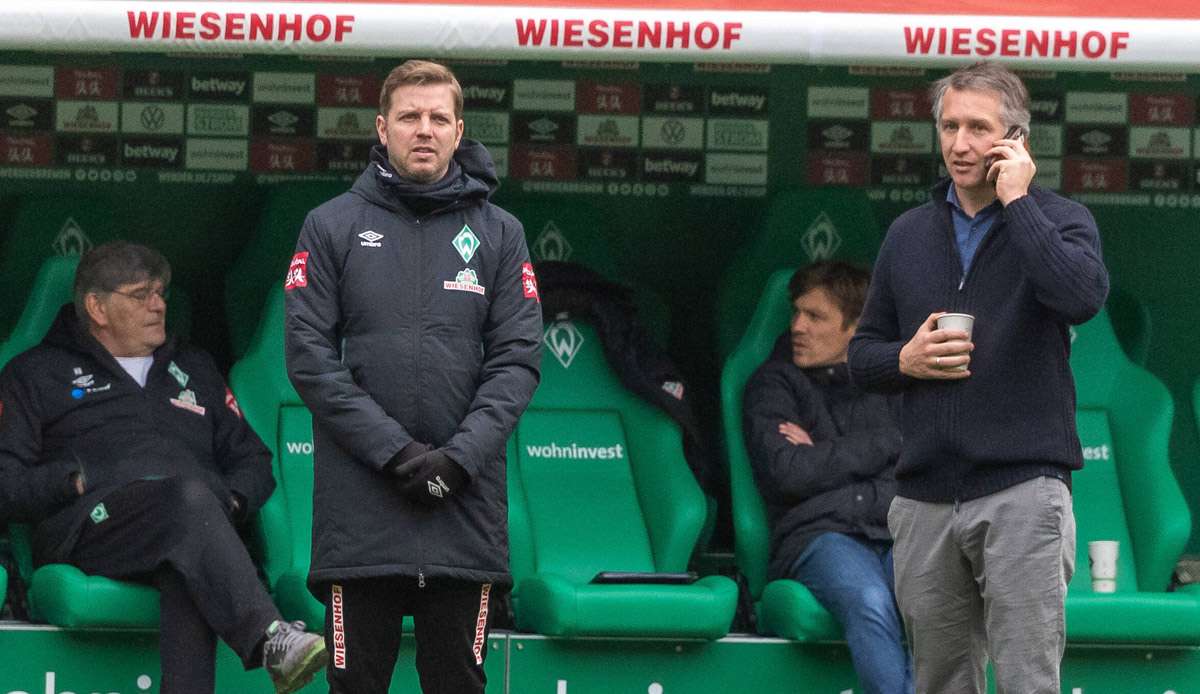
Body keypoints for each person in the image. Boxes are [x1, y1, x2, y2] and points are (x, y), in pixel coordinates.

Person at [848, 61, 1109, 694]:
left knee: (1027, 682)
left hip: (1023, 490)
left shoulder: (1061, 221)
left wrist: (1018, 202)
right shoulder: (908, 233)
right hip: (925, 497)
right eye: (949, 126)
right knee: (938, 683)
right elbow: (861, 355)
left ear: (1015, 140)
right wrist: (904, 360)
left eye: (978, 128)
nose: (960, 144)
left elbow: (1079, 297)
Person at [284, 59, 542, 693]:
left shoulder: (501, 233)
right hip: (362, 507)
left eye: (437, 118)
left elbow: (517, 360)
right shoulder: (331, 224)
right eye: (409, 117)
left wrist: (457, 460)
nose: (423, 130)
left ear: (459, 131)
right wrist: (397, 454)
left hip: (465, 507)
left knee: (457, 682)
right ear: (382, 128)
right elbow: (309, 358)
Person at [0, 241, 328, 694]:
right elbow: (7, 484)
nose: (158, 306)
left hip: (190, 523)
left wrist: (231, 502)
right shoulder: (33, 374)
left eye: (161, 294)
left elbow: (253, 460)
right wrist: (71, 481)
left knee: (186, 544)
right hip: (90, 528)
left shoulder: (194, 367)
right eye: (141, 295)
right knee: (189, 506)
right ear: (96, 306)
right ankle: (270, 635)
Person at [742, 261, 909, 694]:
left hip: (893, 534)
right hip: (819, 537)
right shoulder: (774, 383)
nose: (798, 326)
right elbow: (790, 473)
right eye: (796, 312)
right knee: (870, 600)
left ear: (856, 328)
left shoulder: (894, 385)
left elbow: (919, 476)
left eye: (815, 317)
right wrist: (887, 444)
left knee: (934, 602)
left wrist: (823, 456)